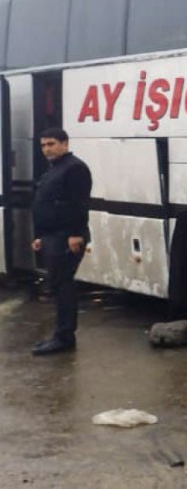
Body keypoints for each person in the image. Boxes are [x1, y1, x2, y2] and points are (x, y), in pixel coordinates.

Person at [31, 128, 92, 356]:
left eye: (52, 144)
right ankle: (60, 335)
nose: (47, 149)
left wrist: (76, 233)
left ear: (65, 144)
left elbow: (79, 204)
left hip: (67, 236)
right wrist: (40, 237)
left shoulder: (75, 168)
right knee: (57, 285)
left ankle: (64, 337)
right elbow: (46, 204)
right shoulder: (54, 169)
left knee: (63, 285)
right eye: (44, 145)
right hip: (52, 236)